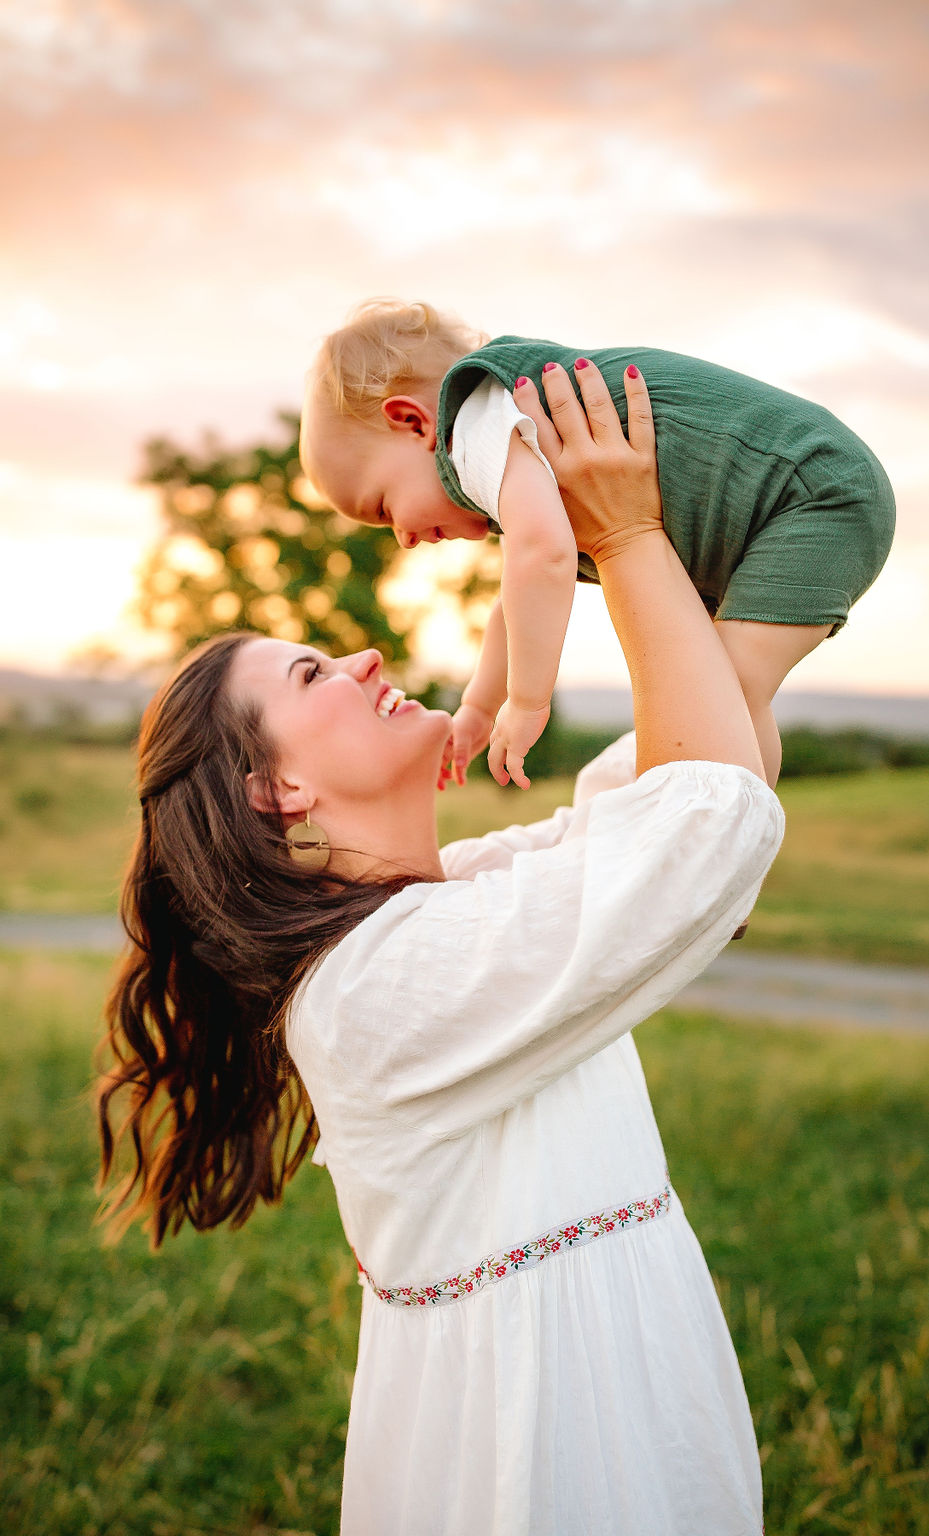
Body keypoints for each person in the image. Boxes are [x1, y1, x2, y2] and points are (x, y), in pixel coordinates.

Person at [98, 361, 783, 1536]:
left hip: (628, 1375)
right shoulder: (375, 986)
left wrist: (674, 531)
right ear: (279, 795)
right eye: (312, 673)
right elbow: (702, 821)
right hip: (538, 1442)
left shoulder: (452, 897)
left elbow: (676, 796)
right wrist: (618, 539)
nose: (365, 658)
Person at [299, 298, 896, 790]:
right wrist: (479, 708)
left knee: (721, 694)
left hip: (810, 493)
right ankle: (728, 852)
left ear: (413, 422)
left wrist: (528, 702)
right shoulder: (508, 453)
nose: (403, 539)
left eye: (383, 509)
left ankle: (722, 855)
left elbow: (545, 558)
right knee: (723, 692)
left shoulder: (476, 418)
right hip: (798, 498)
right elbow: (517, 596)